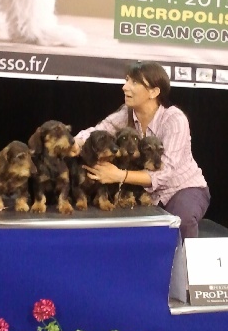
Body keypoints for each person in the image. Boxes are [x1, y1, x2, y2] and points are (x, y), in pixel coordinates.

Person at [74, 61, 210, 240]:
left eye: (134, 83)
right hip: (143, 190)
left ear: (154, 92)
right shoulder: (126, 114)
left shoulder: (175, 119)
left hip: (183, 188)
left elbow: (165, 172)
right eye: (127, 80)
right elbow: (100, 129)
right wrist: (76, 143)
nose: (125, 87)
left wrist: (119, 175)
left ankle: (188, 268)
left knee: (180, 220)